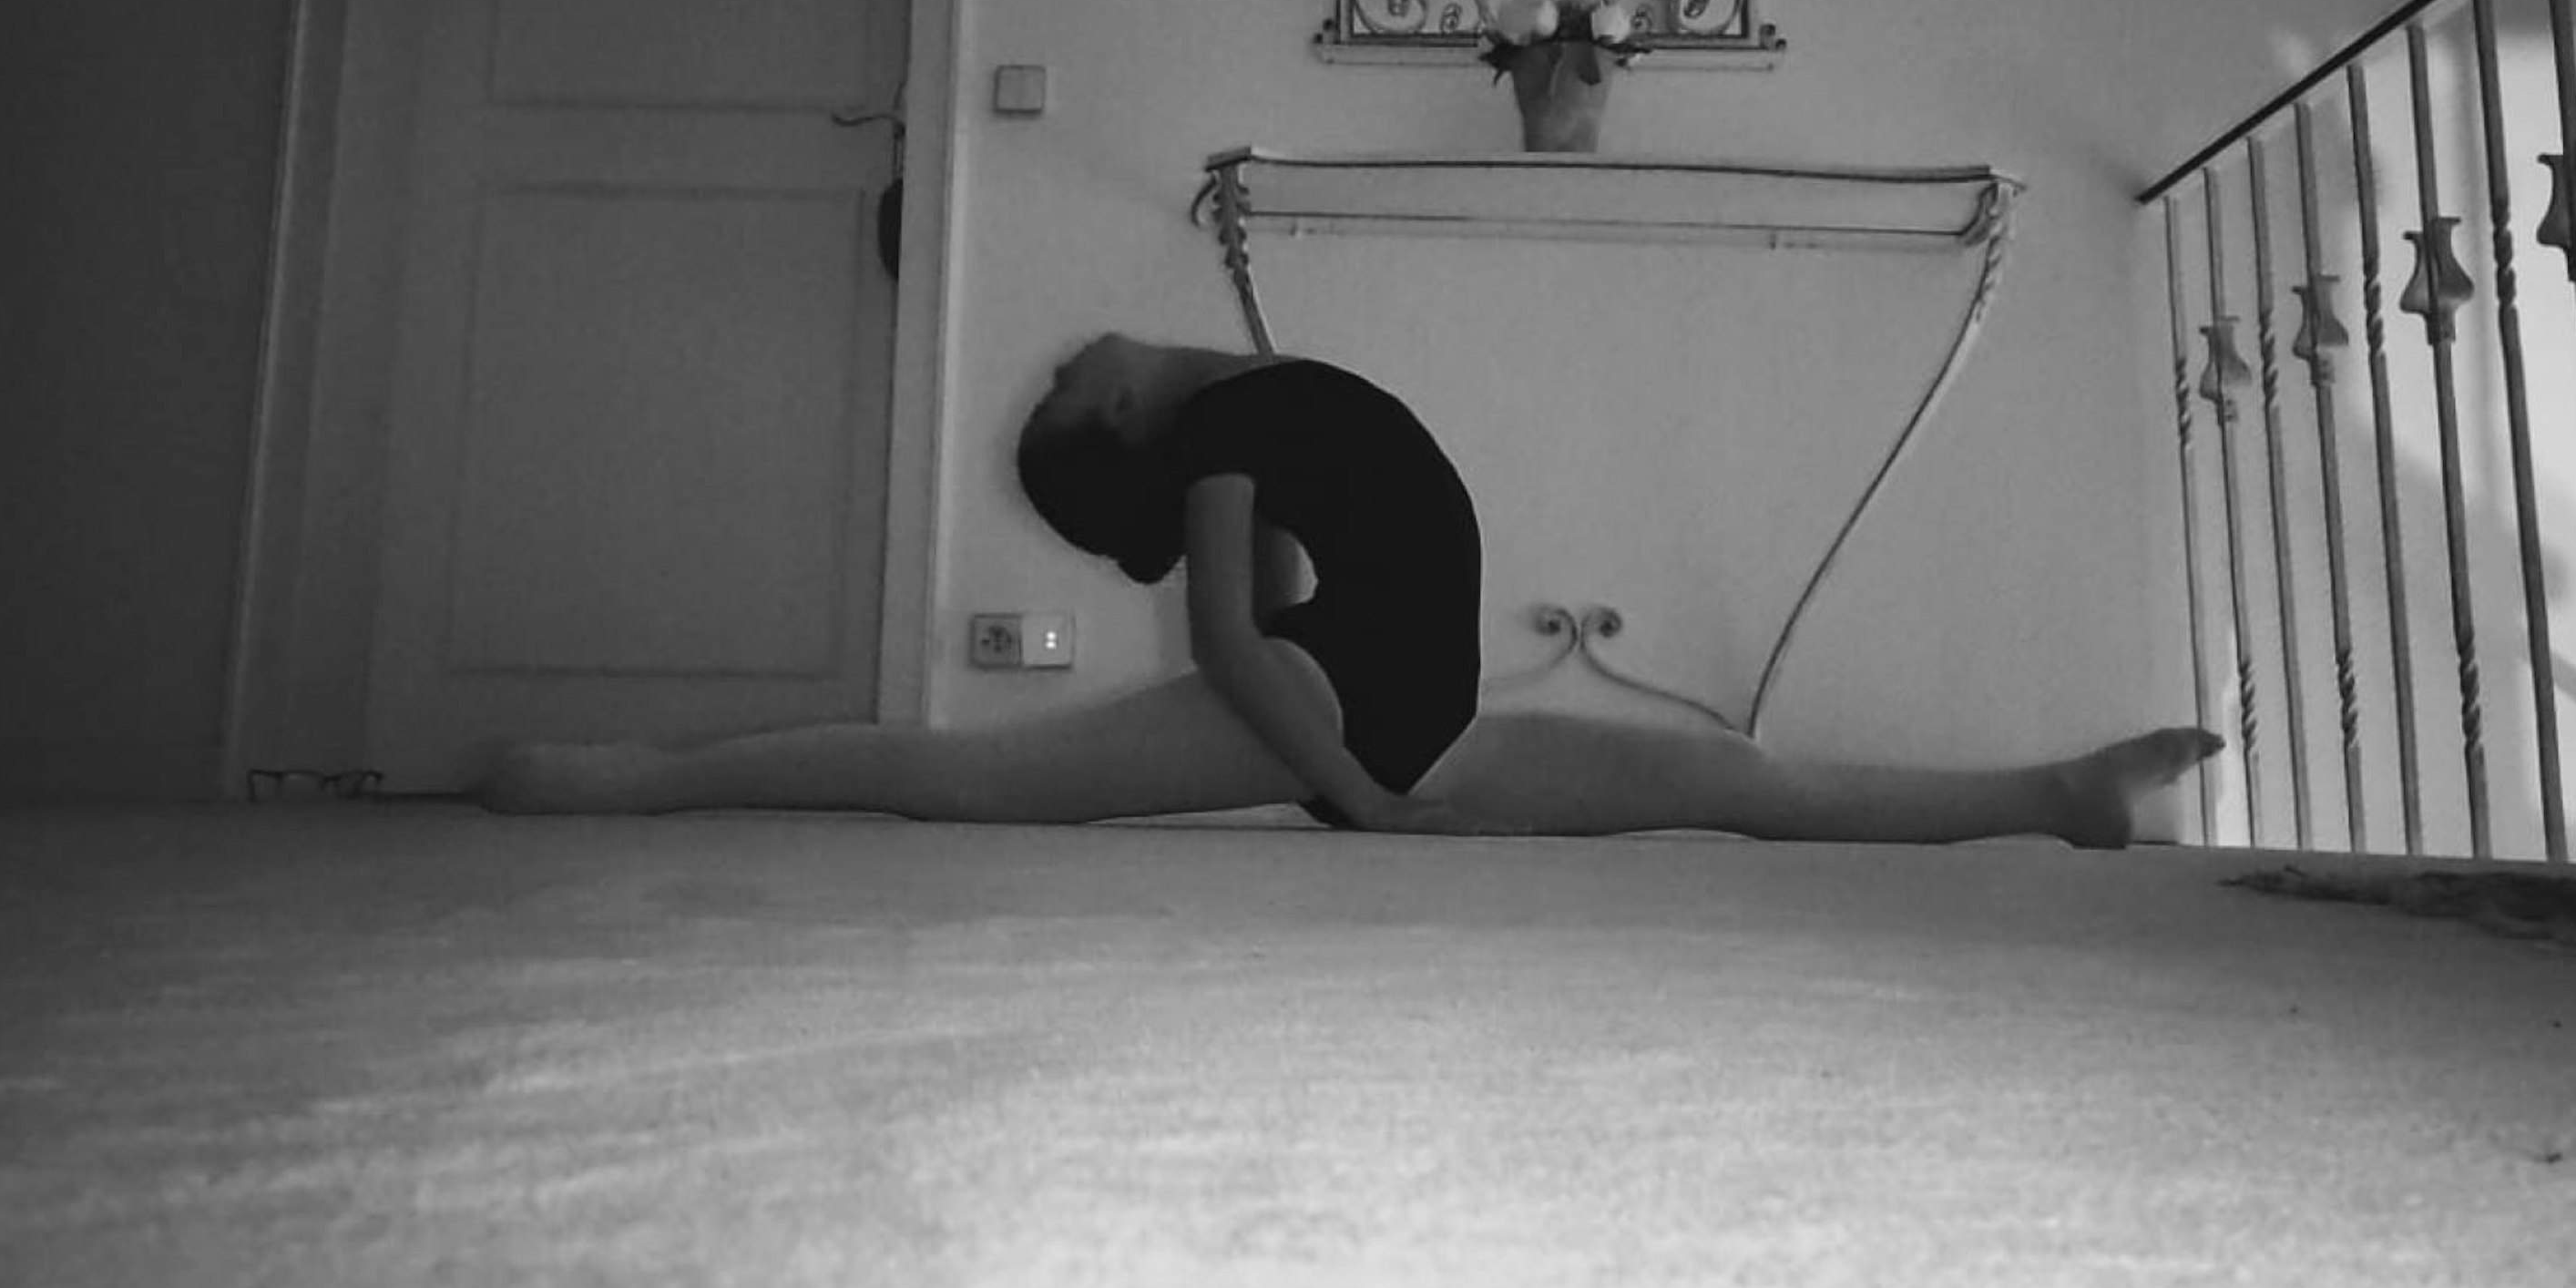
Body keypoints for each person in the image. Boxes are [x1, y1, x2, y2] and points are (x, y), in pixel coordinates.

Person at [479, 334, 2219, 840]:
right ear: (1117, 416)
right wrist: (1359, 801)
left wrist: (1388, 772)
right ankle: (648, 783)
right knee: (968, 779)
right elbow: (1235, 638)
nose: (1067, 356)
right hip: (1366, 735)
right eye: (1060, 391)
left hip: (1439, 727)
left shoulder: (1260, 408)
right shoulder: (1226, 420)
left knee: (1750, 790)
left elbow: (1310, 585)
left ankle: (2059, 794)